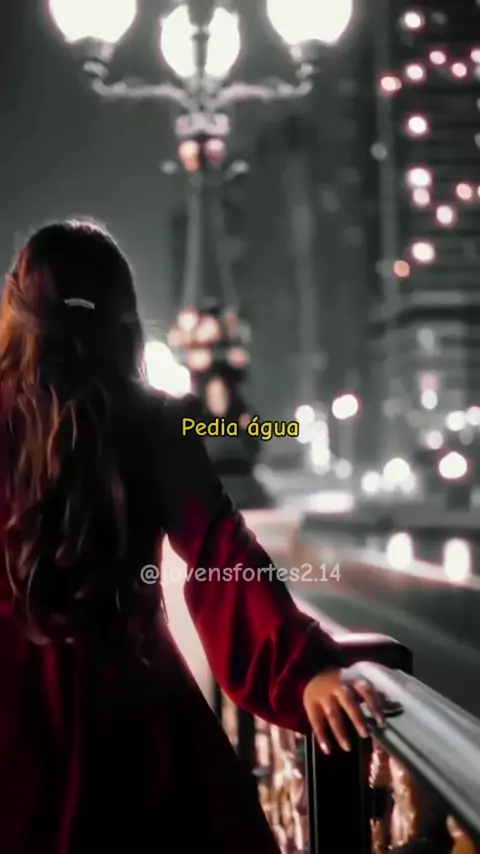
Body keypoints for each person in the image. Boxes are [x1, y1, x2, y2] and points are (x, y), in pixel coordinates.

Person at [0, 219, 382, 854]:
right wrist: (302, 670)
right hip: (131, 712)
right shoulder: (155, 421)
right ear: (124, 314)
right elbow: (220, 554)